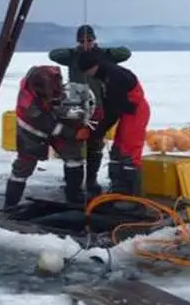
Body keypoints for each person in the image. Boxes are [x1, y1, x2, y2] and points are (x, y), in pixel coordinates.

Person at [48, 24, 131, 197]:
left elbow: (126, 53)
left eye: (89, 40)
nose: (86, 44)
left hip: (98, 107)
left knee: (95, 144)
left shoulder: (102, 56)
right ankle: (72, 181)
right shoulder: (73, 57)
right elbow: (53, 54)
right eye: (82, 41)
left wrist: (105, 53)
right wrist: (74, 52)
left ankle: (91, 180)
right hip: (75, 108)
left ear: (95, 40)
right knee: (73, 145)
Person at [4, 65, 92, 209]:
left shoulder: (53, 81)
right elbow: (47, 125)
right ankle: (10, 204)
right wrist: (74, 133)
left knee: (74, 156)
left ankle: (74, 195)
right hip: (32, 132)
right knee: (24, 166)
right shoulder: (27, 103)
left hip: (56, 123)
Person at [76, 51, 150, 197]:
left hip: (135, 112)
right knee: (117, 151)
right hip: (126, 112)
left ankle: (133, 197)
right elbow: (109, 106)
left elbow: (113, 110)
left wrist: (99, 131)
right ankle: (118, 190)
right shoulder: (105, 75)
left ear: (93, 66)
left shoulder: (115, 77)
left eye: (87, 71)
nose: (88, 75)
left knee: (128, 153)